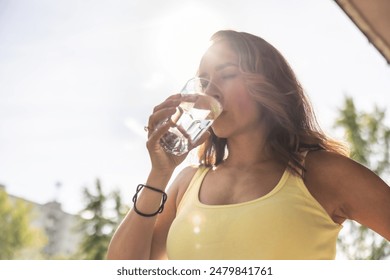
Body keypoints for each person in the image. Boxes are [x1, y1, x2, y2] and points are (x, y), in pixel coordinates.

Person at [107, 30, 390, 260]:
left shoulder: (323, 173)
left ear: (270, 85)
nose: (210, 91)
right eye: (204, 82)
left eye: (227, 74)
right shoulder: (186, 182)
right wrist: (159, 174)